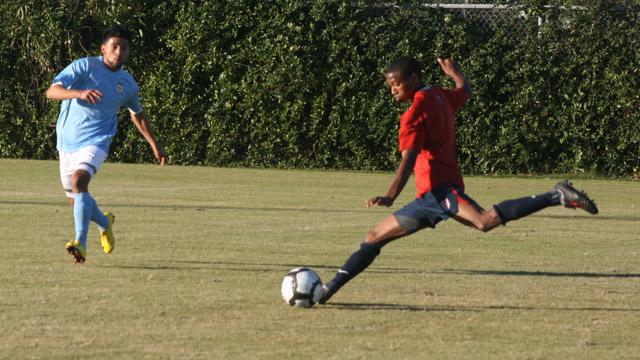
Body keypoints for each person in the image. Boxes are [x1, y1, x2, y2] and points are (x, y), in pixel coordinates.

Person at [319, 56, 598, 304]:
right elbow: (464, 91)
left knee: (484, 220)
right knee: (374, 237)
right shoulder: (439, 95)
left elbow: (408, 160)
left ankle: (556, 195)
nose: (392, 90)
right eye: (390, 85)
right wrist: (455, 74)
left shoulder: (414, 114)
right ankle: (326, 291)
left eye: (396, 84)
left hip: (440, 191)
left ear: (413, 79)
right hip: (431, 196)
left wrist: (390, 195)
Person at [46, 25, 167, 264]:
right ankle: (104, 222)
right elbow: (52, 91)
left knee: (79, 181)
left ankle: (80, 242)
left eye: (124, 48)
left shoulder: (128, 84)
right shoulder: (84, 67)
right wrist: (79, 93)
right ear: (103, 49)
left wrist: (154, 144)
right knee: (77, 201)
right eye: (114, 46)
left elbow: (138, 114)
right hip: (67, 142)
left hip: (97, 141)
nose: (119, 52)